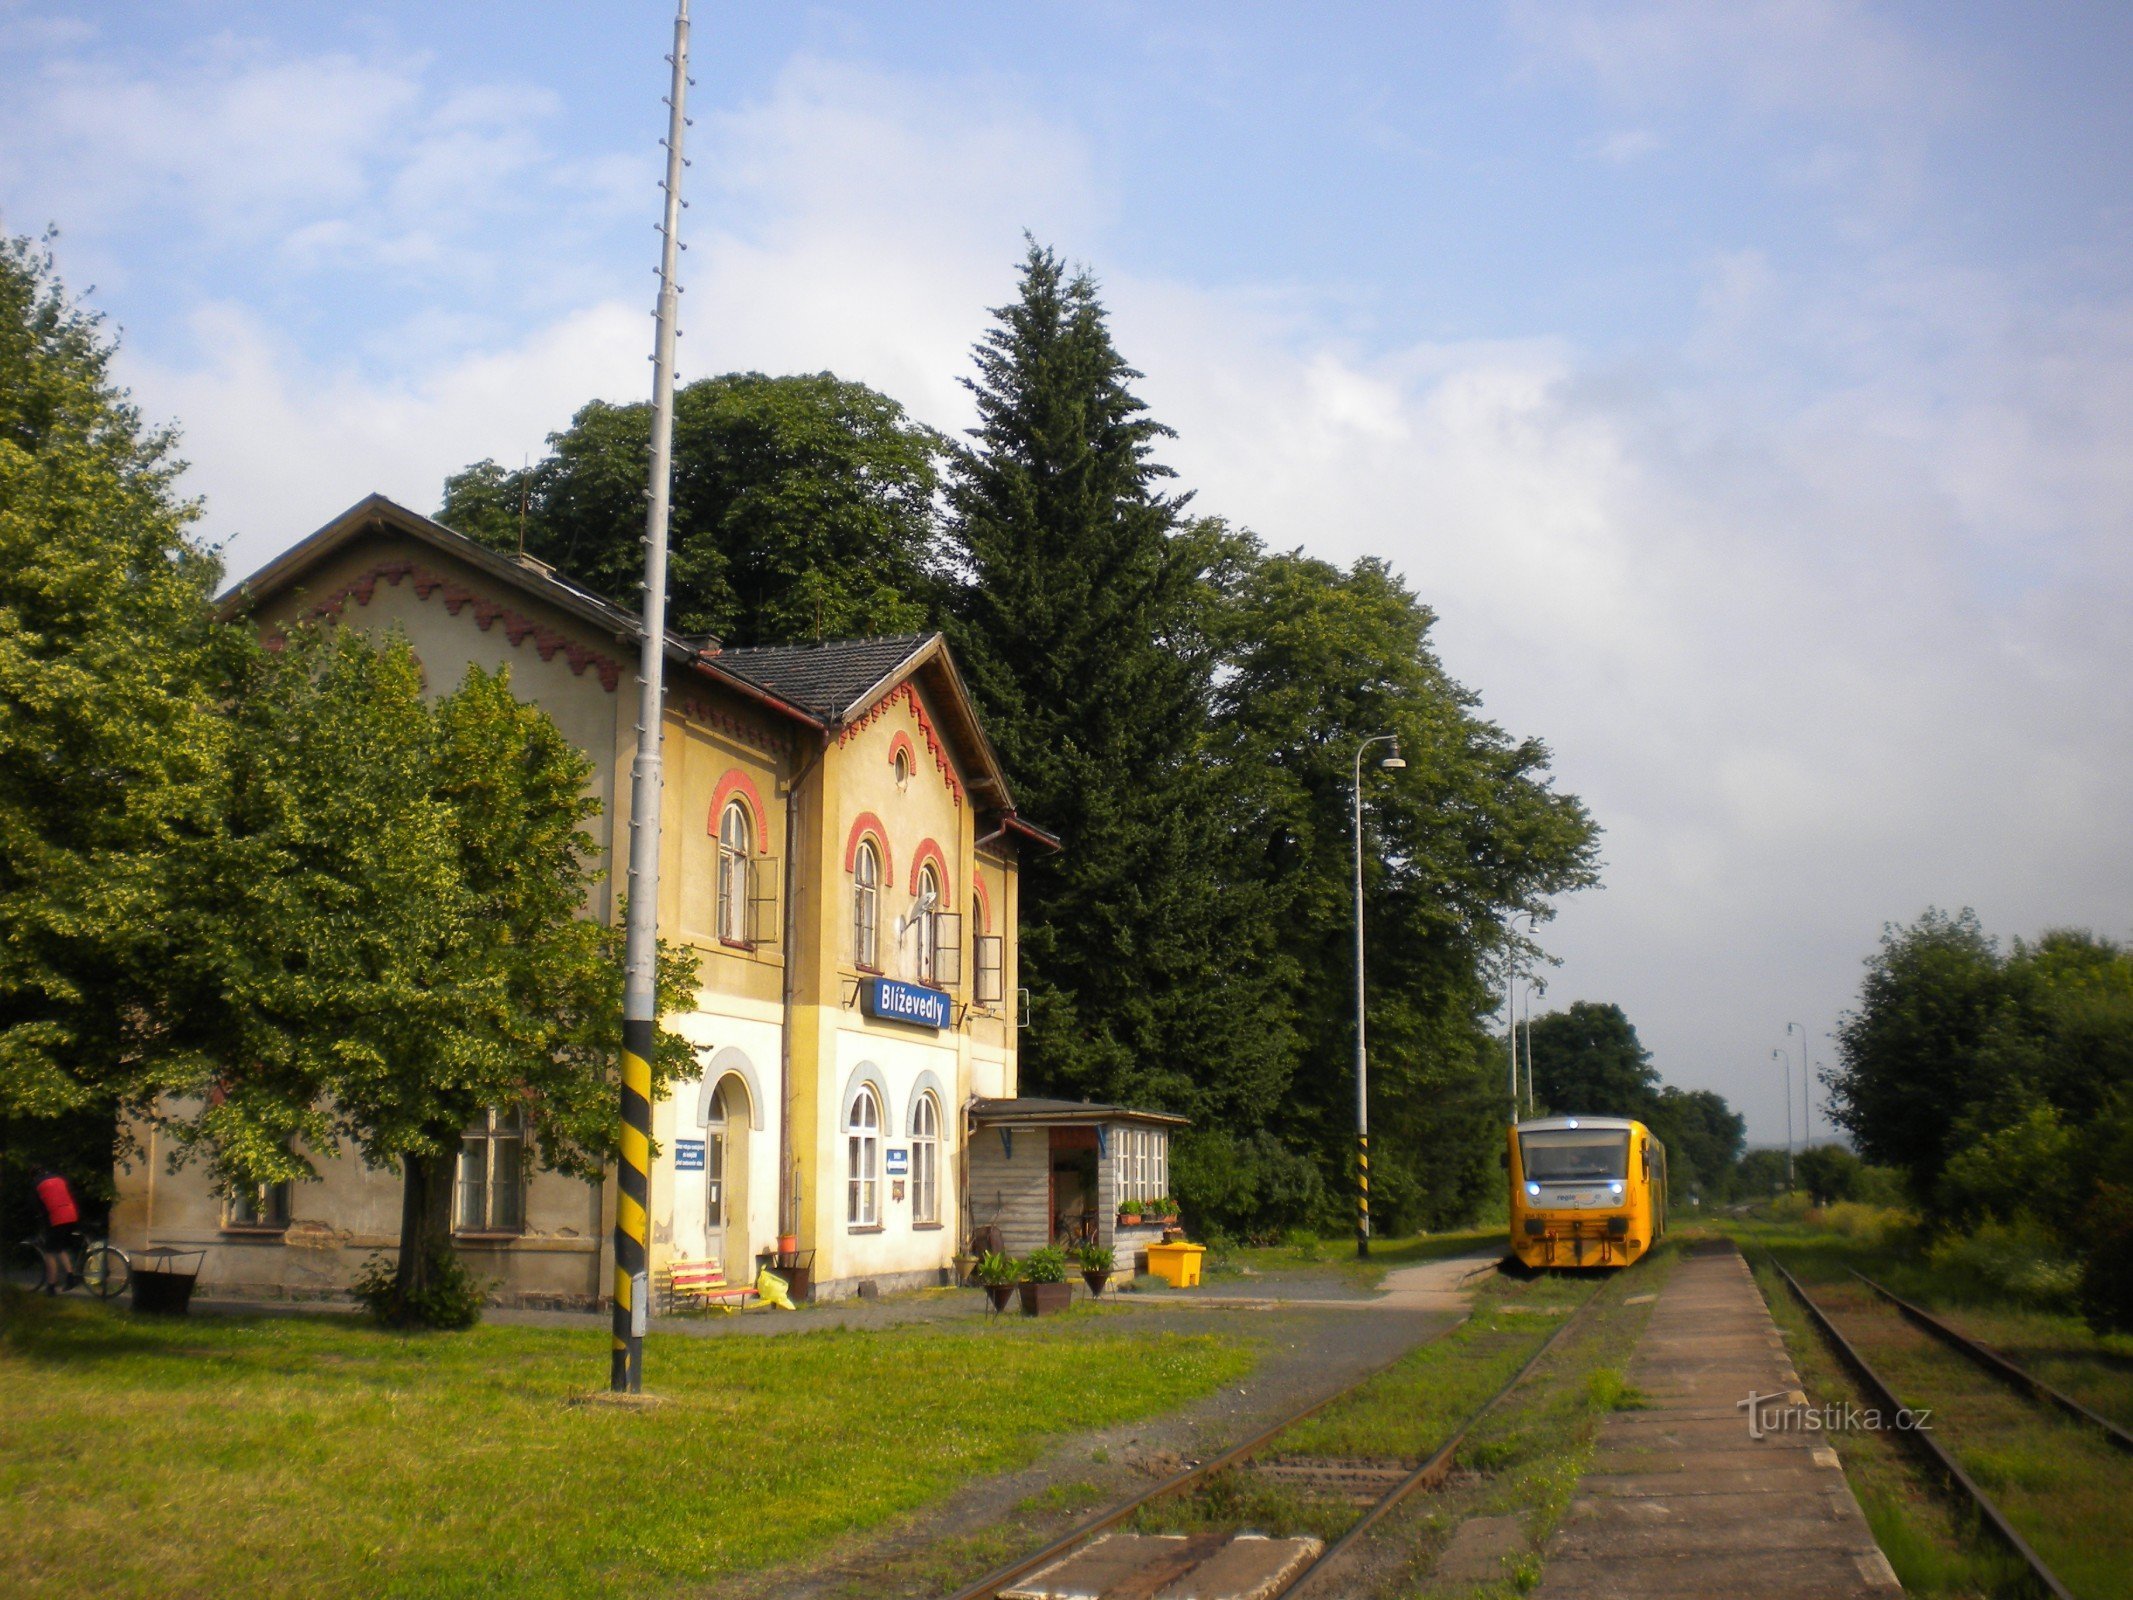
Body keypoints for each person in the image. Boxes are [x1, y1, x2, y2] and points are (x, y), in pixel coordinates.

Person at [33, 1171, 83, 1293]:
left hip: (58, 1218)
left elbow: (38, 1207)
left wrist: (41, 1221)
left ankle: (51, 1286)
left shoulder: (37, 1184)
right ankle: (70, 1277)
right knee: (60, 1248)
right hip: (72, 1215)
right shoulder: (60, 1179)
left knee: (49, 1252)